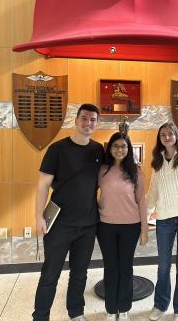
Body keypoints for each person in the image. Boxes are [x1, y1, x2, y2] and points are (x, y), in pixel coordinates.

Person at [32, 104, 104, 321]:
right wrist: (38, 216)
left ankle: (76, 312)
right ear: (76, 120)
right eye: (84, 118)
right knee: (50, 275)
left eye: (92, 119)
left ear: (96, 123)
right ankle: (40, 316)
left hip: (88, 224)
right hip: (59, 224)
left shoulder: (98, 150)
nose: (88, 123)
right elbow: (43, 185)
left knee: (80, 274)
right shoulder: (57, 149)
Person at [146, 122, 178, 321]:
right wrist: (145, 216)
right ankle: (160, 305)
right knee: (163, 265)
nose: (167, 137)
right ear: (159, 139)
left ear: (176, 135)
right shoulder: (158, 161)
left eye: (170, 134)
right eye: (163, 135)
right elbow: (153, 192)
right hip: (165, 219)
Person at [97, 131, 148, 321]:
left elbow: (141, 201)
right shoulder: (101, 170)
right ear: (110, 148)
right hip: (105, 226)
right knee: (110, 267)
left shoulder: (136, 172)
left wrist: (144, 230)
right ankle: (111, 309)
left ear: (129, 149)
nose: (120, 149)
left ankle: (124, 308)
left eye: (124, 146)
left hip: (131, 226)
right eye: (116, 146)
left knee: (126, 267)